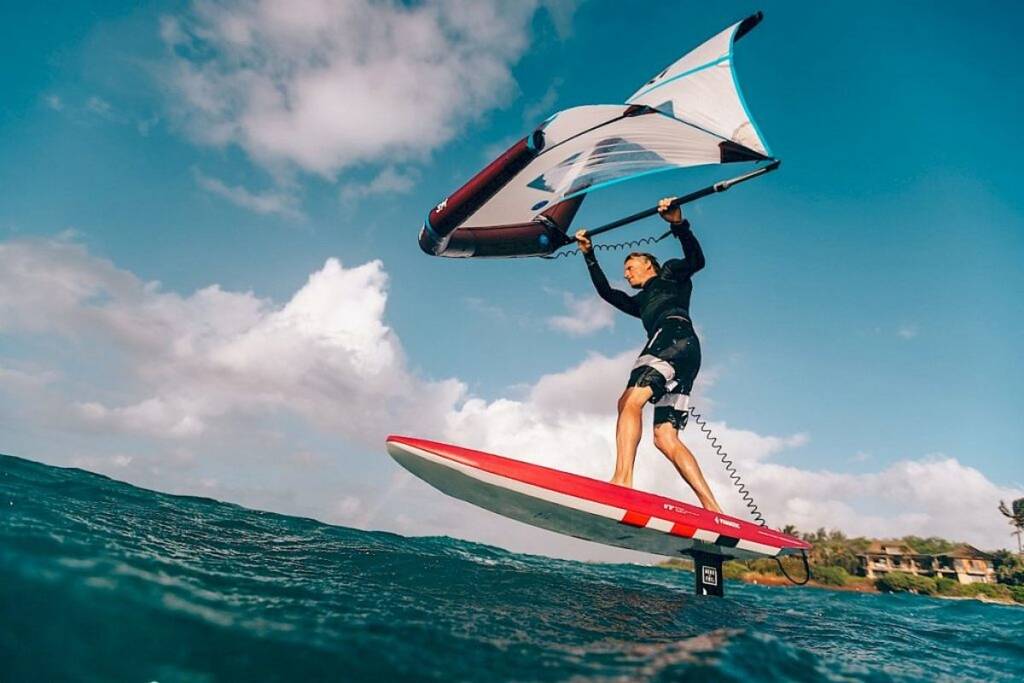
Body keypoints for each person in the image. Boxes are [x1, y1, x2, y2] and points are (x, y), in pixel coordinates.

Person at [575, 198, 722, 512]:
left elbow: (696, 260)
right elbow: (606, 292)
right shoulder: (641, 302)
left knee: (628, 401)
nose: (626, 274)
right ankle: (713, 508)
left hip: (671, 338)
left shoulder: (670, 274)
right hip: (687, 352)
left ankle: (622, 480)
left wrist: (677, 223)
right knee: (665, 436)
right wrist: (589, 255)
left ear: (648, 264)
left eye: (630, 267)